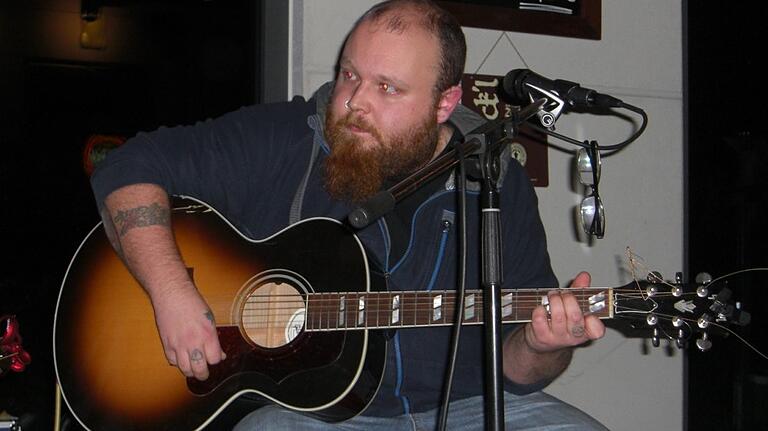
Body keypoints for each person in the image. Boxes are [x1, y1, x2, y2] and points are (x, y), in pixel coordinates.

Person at [90, 0, 607, 429]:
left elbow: (519, 369)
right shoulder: (284, 138)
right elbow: (128, 167)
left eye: (388, 88)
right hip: (313, 417)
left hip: (463, 410)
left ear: (444, 103)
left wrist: (545, 344)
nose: (354, 103)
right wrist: (171, 291)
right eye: (349, 75)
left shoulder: (495, 180)